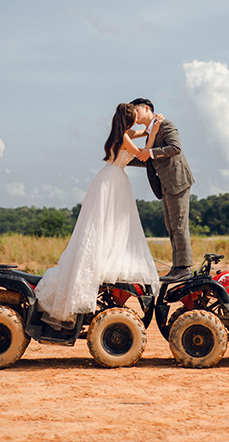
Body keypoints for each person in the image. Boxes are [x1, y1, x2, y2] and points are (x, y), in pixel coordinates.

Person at [35, 103, 161, 329]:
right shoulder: (123, 137)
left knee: (108, 225)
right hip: (113, 181)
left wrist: (153, 126)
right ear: (128, 119)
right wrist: (154, 133)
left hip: (110, 179)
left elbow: (143, 132)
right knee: (110, 224)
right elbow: (142, 155)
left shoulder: (121, 134)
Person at [129, 98, 195, 284]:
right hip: (166, 183)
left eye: (136, 110)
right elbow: (148, 159)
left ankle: (184, 268)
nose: (134, 115)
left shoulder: (166, 125)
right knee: (172, 226)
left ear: (147, 108)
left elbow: (175, 148)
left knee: (179, 224)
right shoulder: (150, 132)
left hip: (177, 180)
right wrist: (122, 158)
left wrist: (148, 153)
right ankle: (178, 266)